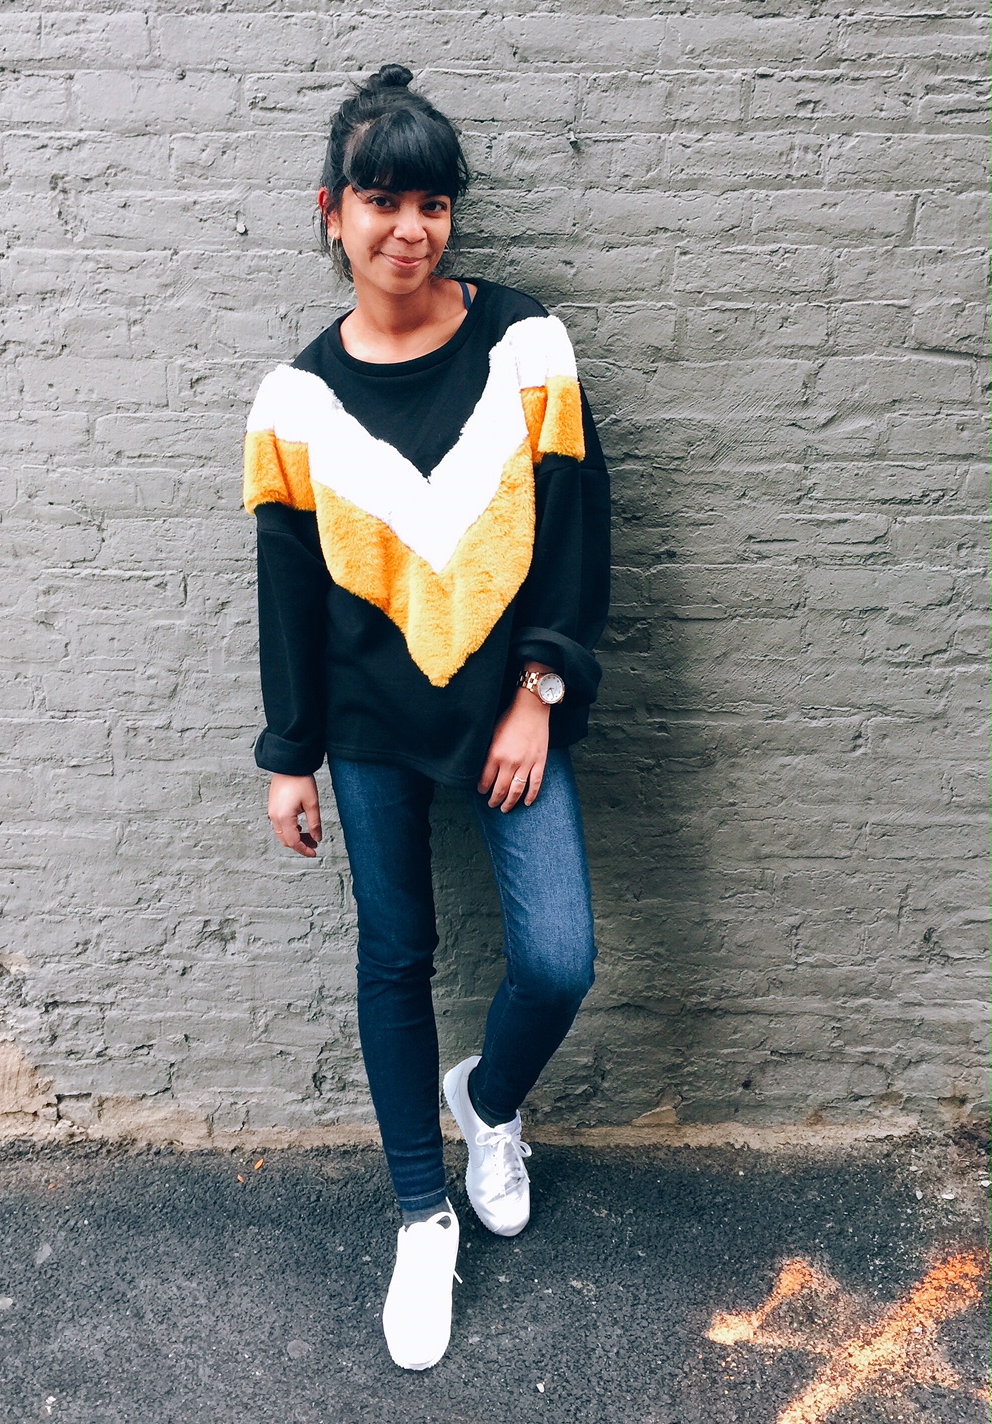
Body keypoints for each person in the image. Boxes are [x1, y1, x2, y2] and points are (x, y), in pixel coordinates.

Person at [243, 64, 610, 1371]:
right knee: (394, 957)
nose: (412, 230)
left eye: (434, 204)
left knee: (559, 959)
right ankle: (420, 1215)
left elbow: (576, 537)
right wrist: (291, 756)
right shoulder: (293, 405)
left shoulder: (527, 348)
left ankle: (489, 1105)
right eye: (384, 202)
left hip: (510, 711)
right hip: (369, 726)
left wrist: (538, 693)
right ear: (332, 212)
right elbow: (288, 594)